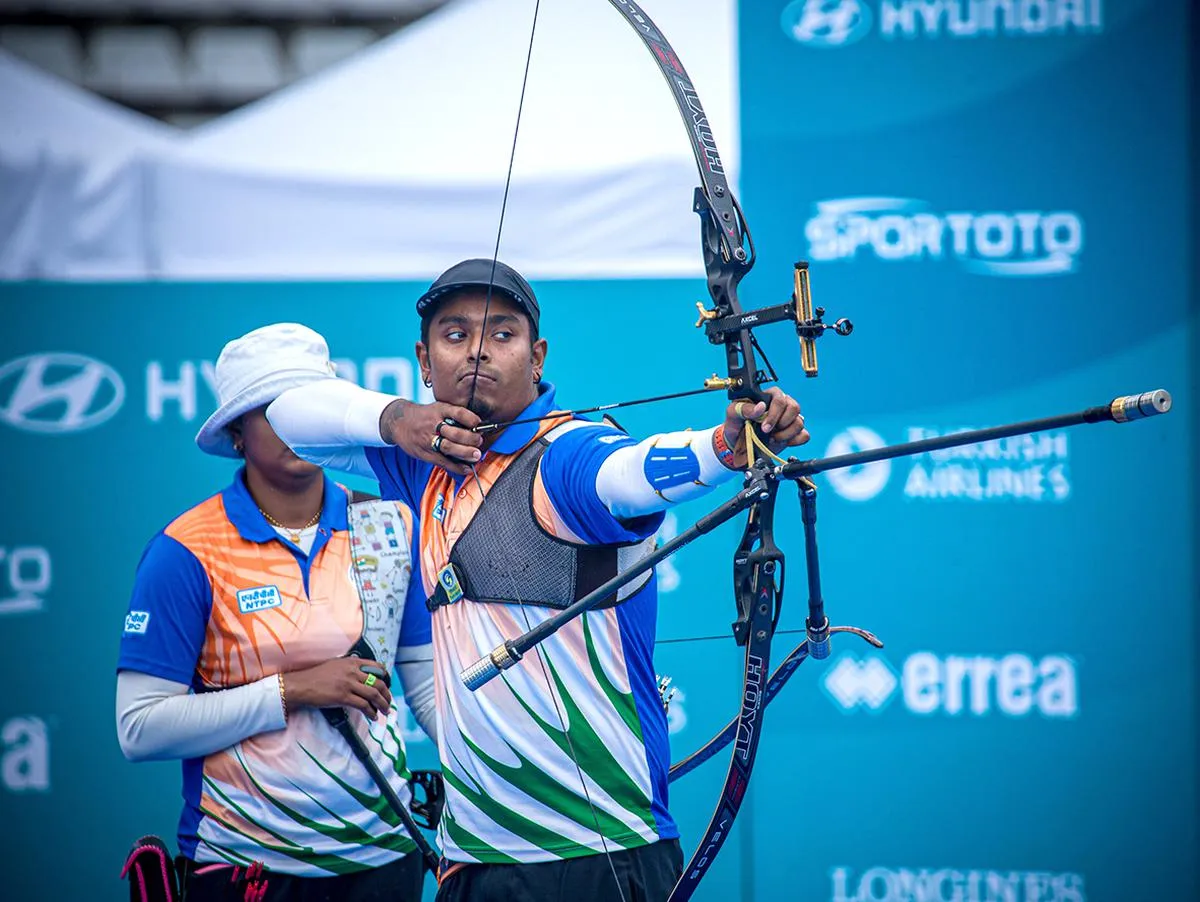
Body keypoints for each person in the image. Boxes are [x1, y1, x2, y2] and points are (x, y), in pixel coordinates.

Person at [265, 260, 809, 902]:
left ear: (537, 354)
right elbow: (286, 416)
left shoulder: (566, 457)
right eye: (455, 334)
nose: (477, 352)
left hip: (594, 855)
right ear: (424, 357)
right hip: (472, 857)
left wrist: (723, 447)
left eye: (502, 334)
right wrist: (397, 420)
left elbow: (629, 473)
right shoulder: (423, 465)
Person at [116, 323, 436, 902]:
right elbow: (138, 729)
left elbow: (432, 693)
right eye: (273, 411)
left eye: (306, 408)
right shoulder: (187, 550)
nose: (293, 427)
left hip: (388, 858)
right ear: (237, 432)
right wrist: (293, 691)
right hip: (246, 870)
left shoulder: (388, 523)